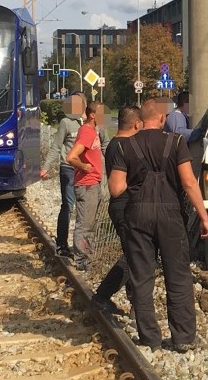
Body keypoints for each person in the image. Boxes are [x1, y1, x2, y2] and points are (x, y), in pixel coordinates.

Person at [108, 99, 208, 353]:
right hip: (170, 215)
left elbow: (115, 188)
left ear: (141, 121)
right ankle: (183, 338)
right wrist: (203, 216)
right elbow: (188, 182)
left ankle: (150, 338)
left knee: (142, 277)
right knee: (177, 275)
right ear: (163, 119)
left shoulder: (126, 145)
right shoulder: (176, 142)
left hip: (138, 215)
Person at [92, 105, 142, 315]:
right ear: (137, 124)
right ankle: (102, 296)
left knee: (134, 254)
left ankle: (136, 304)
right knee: (135, 256)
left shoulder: (114, 144)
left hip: (119, 206)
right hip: (126, 206)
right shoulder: (128, 146)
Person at [46, 92, 107, 257]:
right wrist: (46, 166)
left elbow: (105, 143)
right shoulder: (67, 122)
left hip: (90, 174)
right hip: (69, 168)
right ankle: (62, 244)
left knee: (86, 214)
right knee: (68, 206)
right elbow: (57, 146)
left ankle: (84, 249)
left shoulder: (97, 124)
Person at [65, 101, 105, 272]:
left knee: (89, 223)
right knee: (86, 224)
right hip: (87, 184)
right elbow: (71, 157)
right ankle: (82, 260)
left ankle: (86, 257)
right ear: (93, 115)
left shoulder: (90, 131)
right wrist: (84, 166)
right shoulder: (87, 133)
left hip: (90, 183)